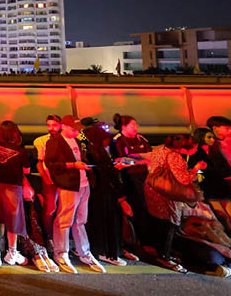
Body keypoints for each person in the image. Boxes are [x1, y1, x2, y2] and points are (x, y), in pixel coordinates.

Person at [44, 115, 105, 273]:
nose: (77, 132)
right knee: (64, 220)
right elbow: (50, 164)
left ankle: (83, 252)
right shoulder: (55, 141)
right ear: (63, 126)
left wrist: (84, 166)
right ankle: (61, 254)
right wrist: (73, 165)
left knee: (80, 221)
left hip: (83, 185)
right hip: (69, 185)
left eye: (78, 129)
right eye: (73, 129)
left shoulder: (77, 140)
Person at [144, 133, 208, 273]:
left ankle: (159, 251)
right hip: (167, 193)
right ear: (183, 148)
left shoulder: (160, 148)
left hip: (152, 188)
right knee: (170, 223)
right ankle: (165, 257)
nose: (195, 150)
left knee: (158, 221)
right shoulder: (174, 156)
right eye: (193, 148)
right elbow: (184, 179)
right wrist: (196, 168)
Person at [81, 119, 133, 267]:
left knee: (98, 223)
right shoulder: (98, 153)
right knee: (108, 224)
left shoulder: (91, 151)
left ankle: (102, 251)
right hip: (105, 194)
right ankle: (109, 253)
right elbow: (108, 175)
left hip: (97, 193)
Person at [112, 113, 151, 258]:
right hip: (129, 179)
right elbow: (120, 161)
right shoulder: (117, 140)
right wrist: (139, 160)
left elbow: (150, 155)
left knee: (146, 209)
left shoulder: (141, 139)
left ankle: (146, 241)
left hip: (145, 177)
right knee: (135, 209)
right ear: (123, 127)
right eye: (132, 125)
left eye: (136, 125)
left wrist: (141, 159)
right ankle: (133, 243)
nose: (136, 128)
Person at [190, 127, 231, 239]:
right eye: (209, 137)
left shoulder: (214, 151)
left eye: (212, 137)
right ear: (201, 137)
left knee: (230, 217)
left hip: (219, 186)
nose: (212, 139)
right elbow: (199, 173)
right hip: (211, 187)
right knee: (224, 217)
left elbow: (225, 170)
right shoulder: (198, 153)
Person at [0, 120, 30, 267]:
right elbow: (26, 170)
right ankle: (12, 251)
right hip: (14, 187)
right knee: (14, 220)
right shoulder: (21, 151)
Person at [33, 114, 61, 239]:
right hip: (50, 178)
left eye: (54, 125)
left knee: (64, 209)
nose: (51, 128)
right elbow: (40, 162)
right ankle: (48, 236)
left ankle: (61, 236)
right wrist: (46, 179)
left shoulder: (66, 139)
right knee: (50, 208)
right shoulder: (41, 141)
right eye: (49, 125)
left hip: (65, 178)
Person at [206, 116, 231, 217]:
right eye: (226, 128)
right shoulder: (209, 143)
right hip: (226, 177)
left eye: (230, 128)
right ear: (215, 128)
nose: (230, 131)